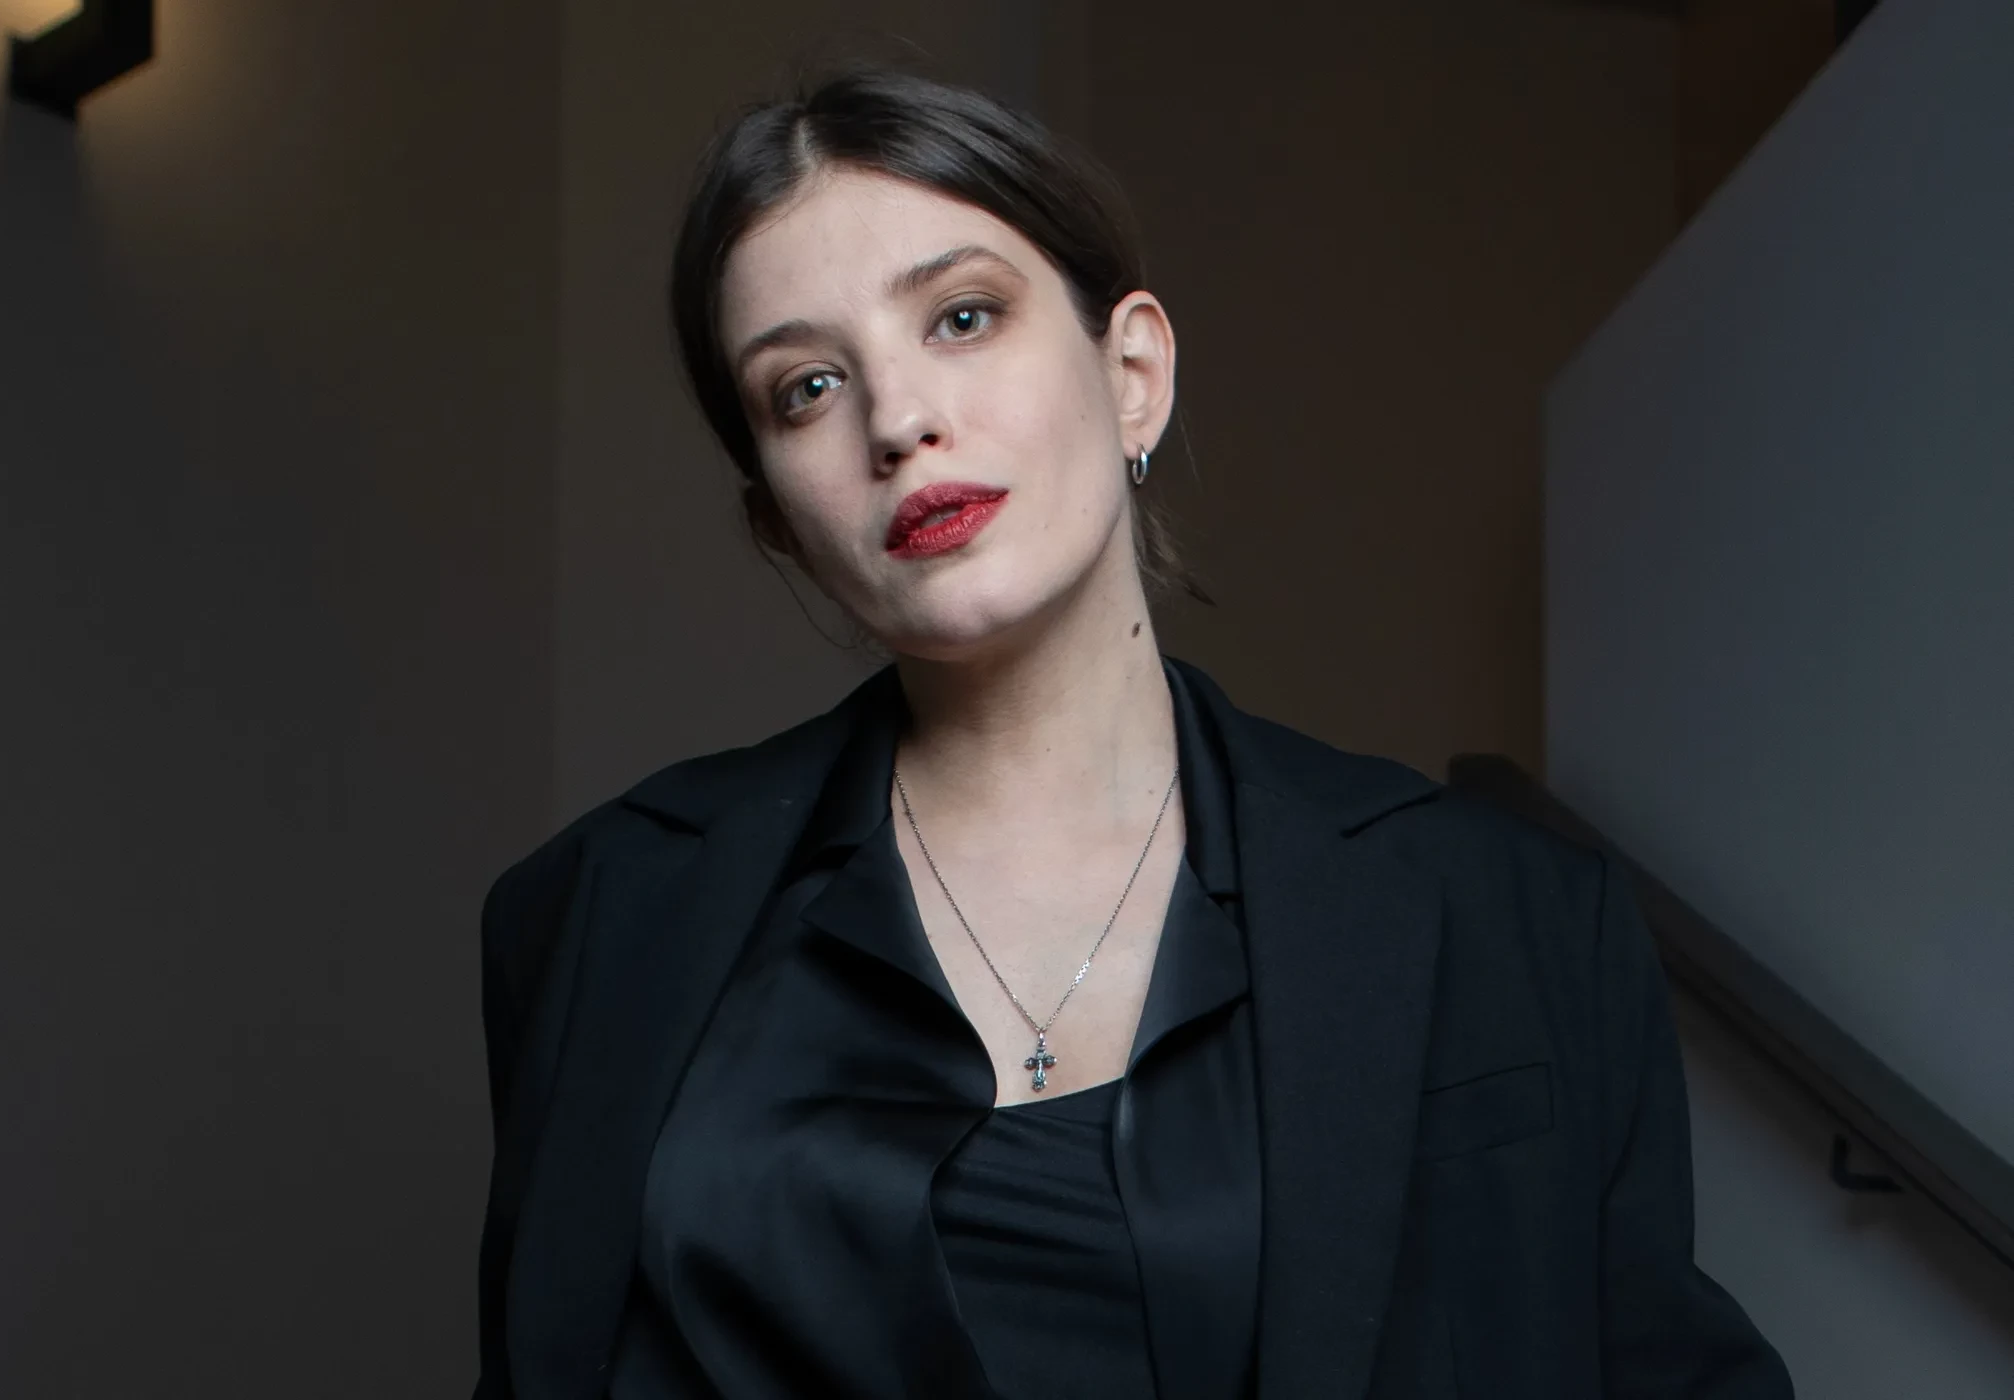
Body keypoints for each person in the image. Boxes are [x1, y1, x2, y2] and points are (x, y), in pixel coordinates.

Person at [472, 65, 1793, 1400]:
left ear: (1133, 374)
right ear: (778, 521)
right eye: (807, 386)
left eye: (962, 317)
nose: (900, 420)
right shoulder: (600, 915)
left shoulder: (1510, 915)